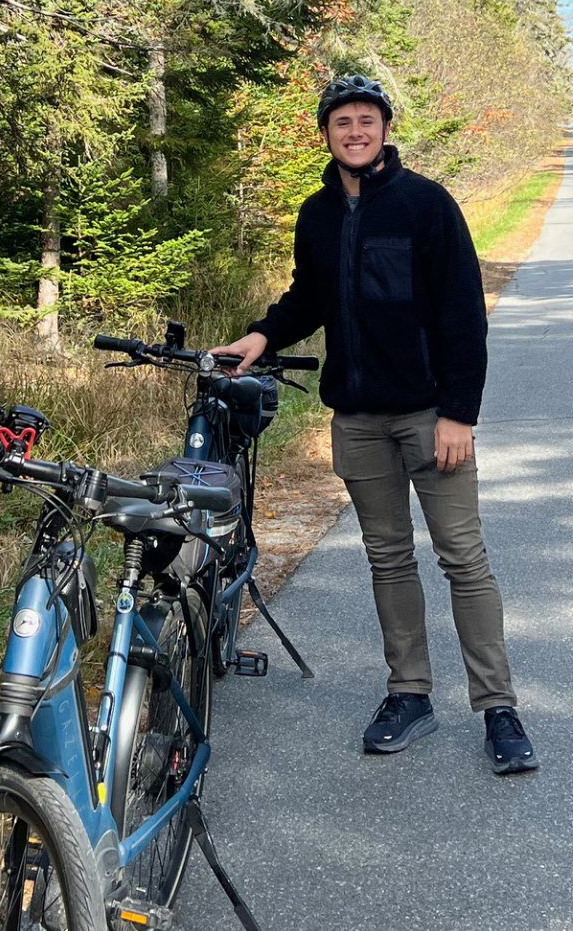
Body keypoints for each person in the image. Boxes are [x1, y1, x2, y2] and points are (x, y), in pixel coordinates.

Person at [212, 74, 537, 775]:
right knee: (387, 557)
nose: (355, 131)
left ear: (385, 128)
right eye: (342, 122)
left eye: (367, 119)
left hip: (428, 416)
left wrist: (459, 413)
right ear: (326, 134)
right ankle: (409, 693)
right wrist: (261, 337)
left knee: (462, 557)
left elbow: (462, 317)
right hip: (356, 419)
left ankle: (499, 707)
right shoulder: (317, 213)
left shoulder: (426, 205)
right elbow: (309, 295)